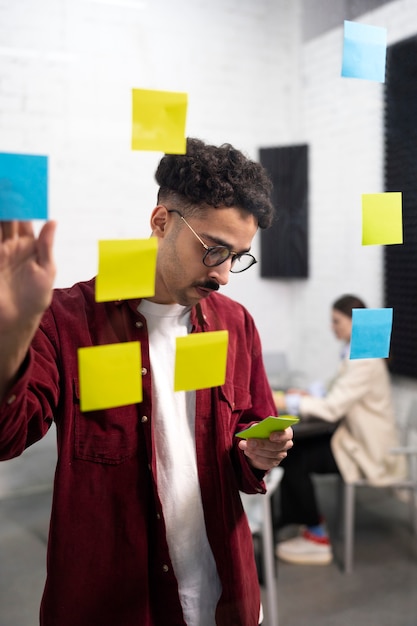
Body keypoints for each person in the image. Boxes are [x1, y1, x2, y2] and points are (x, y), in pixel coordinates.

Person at [0, 138, 293, 626]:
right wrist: (11, 334)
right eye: (213, 250)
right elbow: (7, 436)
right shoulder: (67, 320)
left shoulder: (234, 323)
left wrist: (257, 453)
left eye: (238, 256)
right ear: (161, 222)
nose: (224, 275)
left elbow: (247, 432)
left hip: (225, 594)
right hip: (113, 600)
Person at [273, 294, 406, 566]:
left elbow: (333, 407)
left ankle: (316, 535)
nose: (332, 327)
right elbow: (339, 386)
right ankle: (303, 521)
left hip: (367, 450)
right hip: (355, 437)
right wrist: (308, 393)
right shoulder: (360, 352)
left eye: (336, 321)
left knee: (294, 456)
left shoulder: (364, 359)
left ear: (354, 323)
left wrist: (287, 400)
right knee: (296, 450)